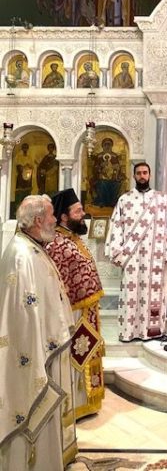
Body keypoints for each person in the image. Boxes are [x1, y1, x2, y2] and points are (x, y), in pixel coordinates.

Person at [0, 195, 77, 470]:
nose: (55, 220)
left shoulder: (32, 247)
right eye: (51, 215)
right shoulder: (22, 256)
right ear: (37, 220)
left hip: (46, 345)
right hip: (34, 351)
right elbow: (22, 315)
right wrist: (38, 348)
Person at [46, 189, 105, 420]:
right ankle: (76, 404)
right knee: (76, 355)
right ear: (64, 216)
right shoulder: (56, 243)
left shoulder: (73, 238)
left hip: (87, 310)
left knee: (87, 352)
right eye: (78, 211)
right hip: (73, 313)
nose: (83, 215)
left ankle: (88, 403)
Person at [105, 162, 167, 341]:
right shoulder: (124, 200)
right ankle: (130, 331)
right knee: (131, 293)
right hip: (132, 257)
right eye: (138, 173)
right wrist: (117, 250)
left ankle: (152, 331)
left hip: (154, 256)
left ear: (150, 175)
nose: (142, 176)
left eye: (145, 172)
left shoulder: (161, 200)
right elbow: (116, 226)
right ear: (134, 176)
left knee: (153, 293)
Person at [91, 137, 123, 207]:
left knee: (116, 184)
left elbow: (119, 168)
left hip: (113, 177)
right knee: (102, 183)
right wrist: (100, 166)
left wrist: (116, 168)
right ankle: (102, 201)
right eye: (105, 144)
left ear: (112, 146)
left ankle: (113, 202)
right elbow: (95, 168)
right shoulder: (99, 156)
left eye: (109, 144)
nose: (107, 146)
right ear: (102, 146)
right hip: (101, 177)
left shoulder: (115, 156)